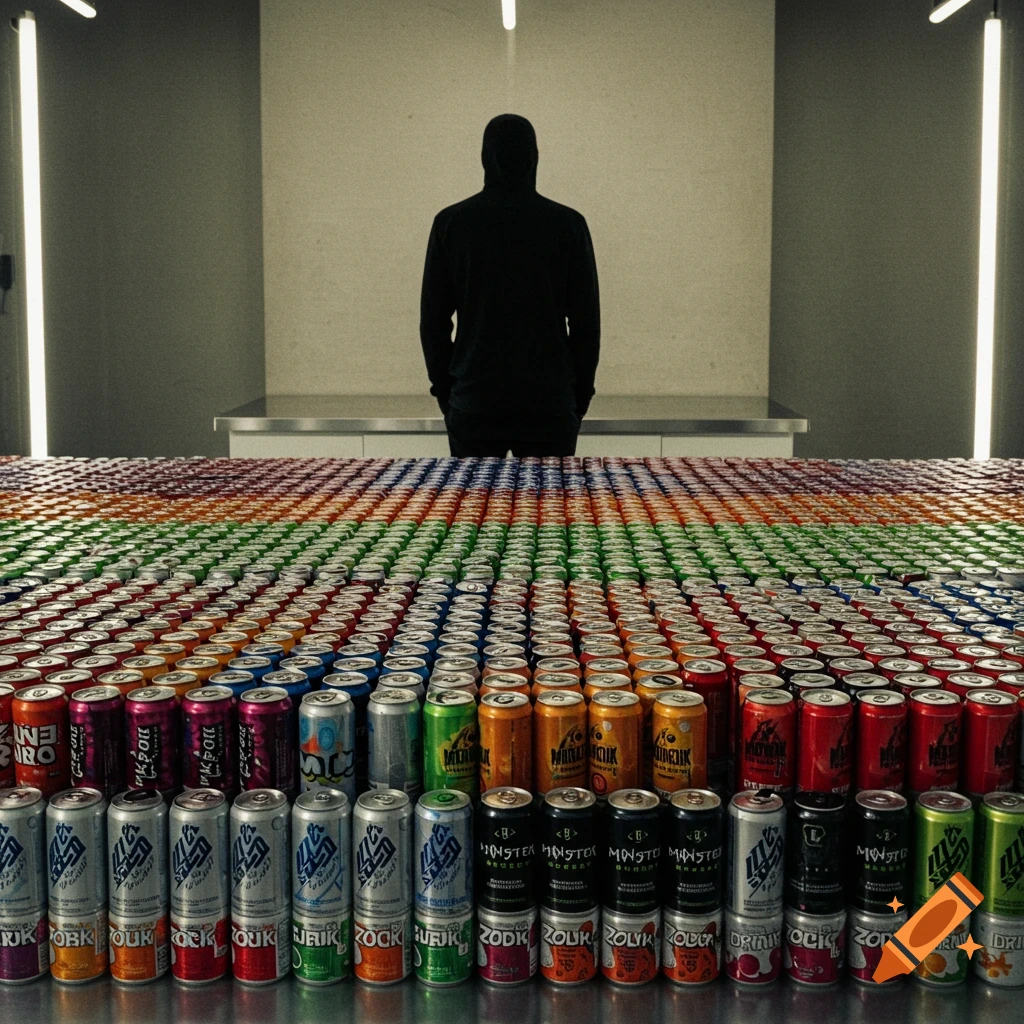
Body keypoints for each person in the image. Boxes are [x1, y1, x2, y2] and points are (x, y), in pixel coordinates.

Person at [419, 114, 600, 458]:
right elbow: (585, 325)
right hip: (549, 403)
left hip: (475, 401)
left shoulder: (452, 224)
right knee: (546, 511)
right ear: (535, 157)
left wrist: (446, 392)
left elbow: (434, 323)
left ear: (485, 158)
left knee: (478, 510)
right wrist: (579, 398)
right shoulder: (568, 225)